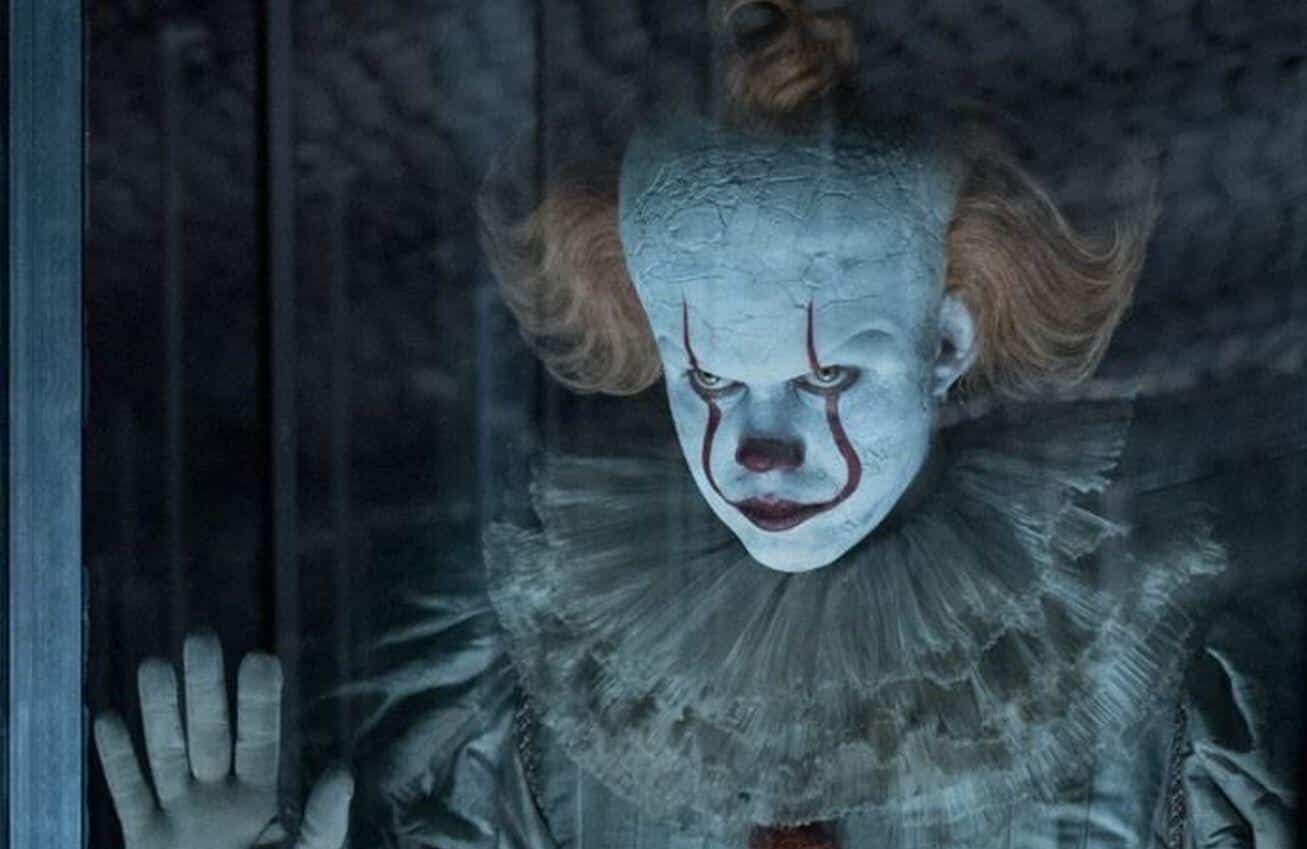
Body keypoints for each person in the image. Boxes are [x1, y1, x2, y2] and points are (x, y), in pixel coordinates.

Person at [94, 2, 1303, 847]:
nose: (756, 447)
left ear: (945, 341)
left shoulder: (1146, 674)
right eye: (708, 380)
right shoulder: (543, 687)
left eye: (826, 378)